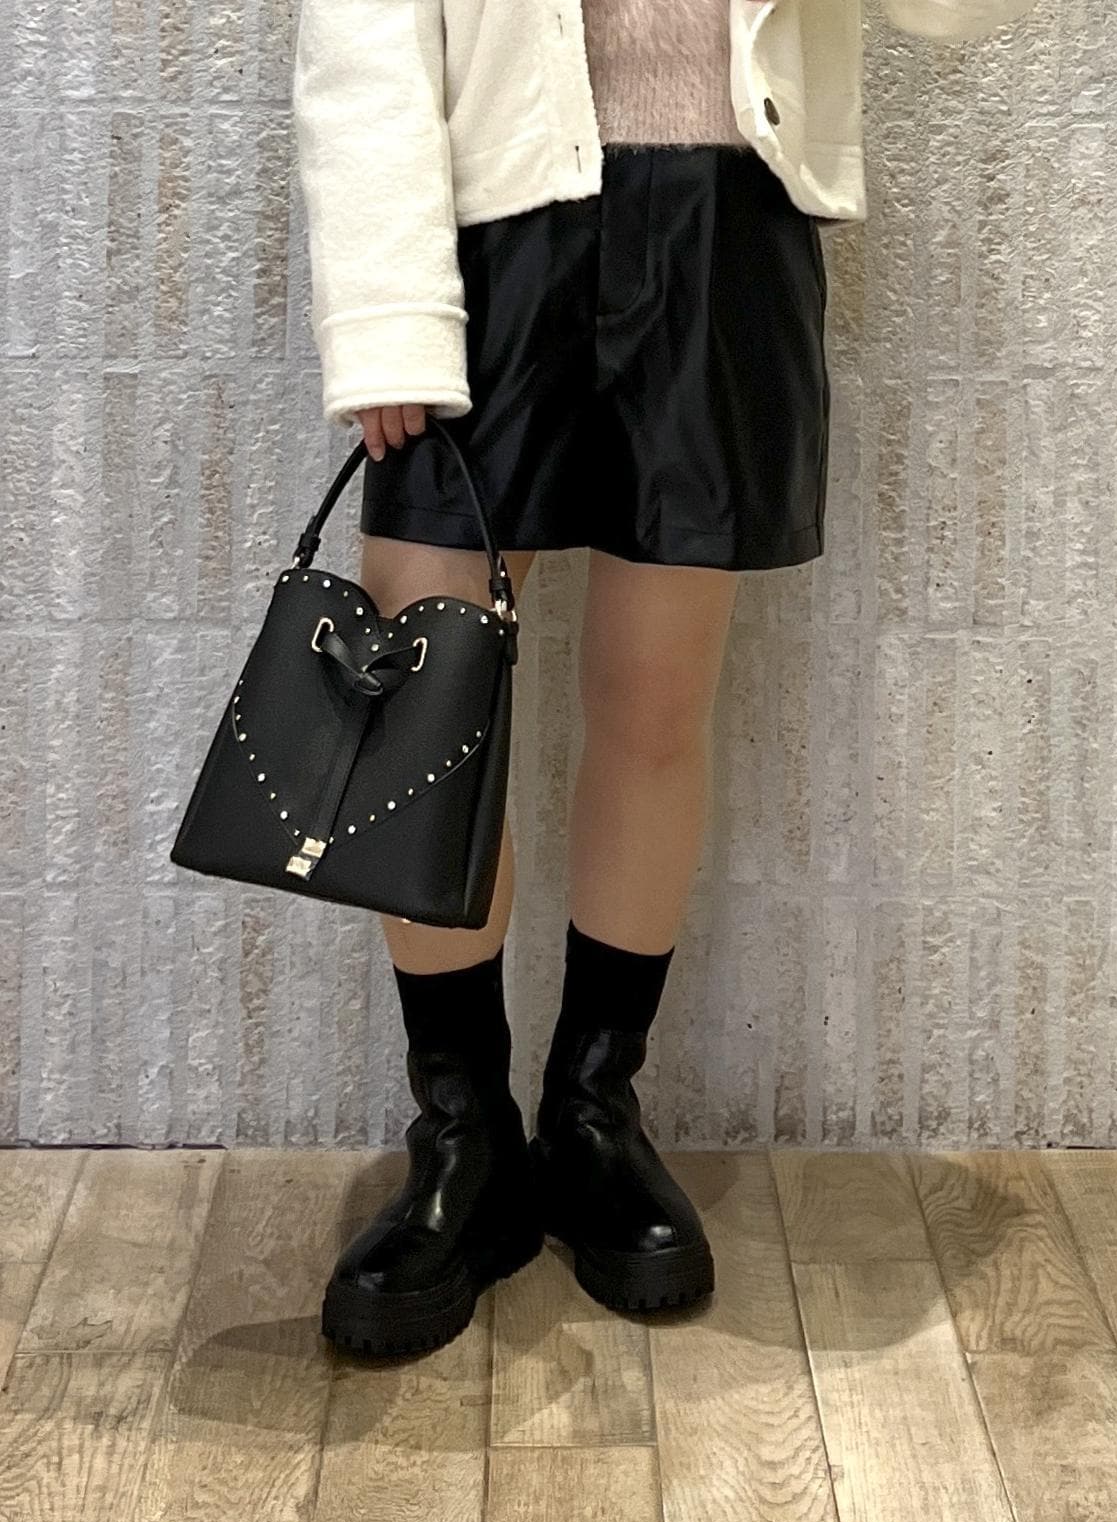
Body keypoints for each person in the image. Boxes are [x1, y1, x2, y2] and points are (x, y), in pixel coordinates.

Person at [291, 0, 1038, 1358]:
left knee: (653, 704)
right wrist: (385, 309)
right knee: (422, 708)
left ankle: (592, 1115)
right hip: (488, 233)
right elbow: (363, 36)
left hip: (724, 229)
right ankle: (462, 1135)